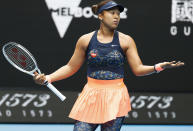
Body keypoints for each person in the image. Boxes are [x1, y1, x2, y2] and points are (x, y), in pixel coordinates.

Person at [33, 0, 185, 130]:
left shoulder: (126, 41)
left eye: (118, 14)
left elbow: (138, 70)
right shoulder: (85, 40)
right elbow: (71, 67)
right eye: (111, 13)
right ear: (100, 15)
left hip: (116, 97)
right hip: (90, 96)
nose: (116, 17)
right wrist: (48, 77)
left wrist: (159, 67)